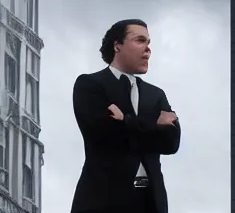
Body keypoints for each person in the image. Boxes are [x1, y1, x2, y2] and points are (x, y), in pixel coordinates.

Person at [70, 19, 181, 213]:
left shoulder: (156, 95)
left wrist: (125, 121)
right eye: (140, 40)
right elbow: (104, 135)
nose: (148, 49)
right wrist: (153, 128)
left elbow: (171, 143)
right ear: (117, 45)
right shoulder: (90, 85)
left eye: (149, 42)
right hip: (102, 201)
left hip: (150, 203)